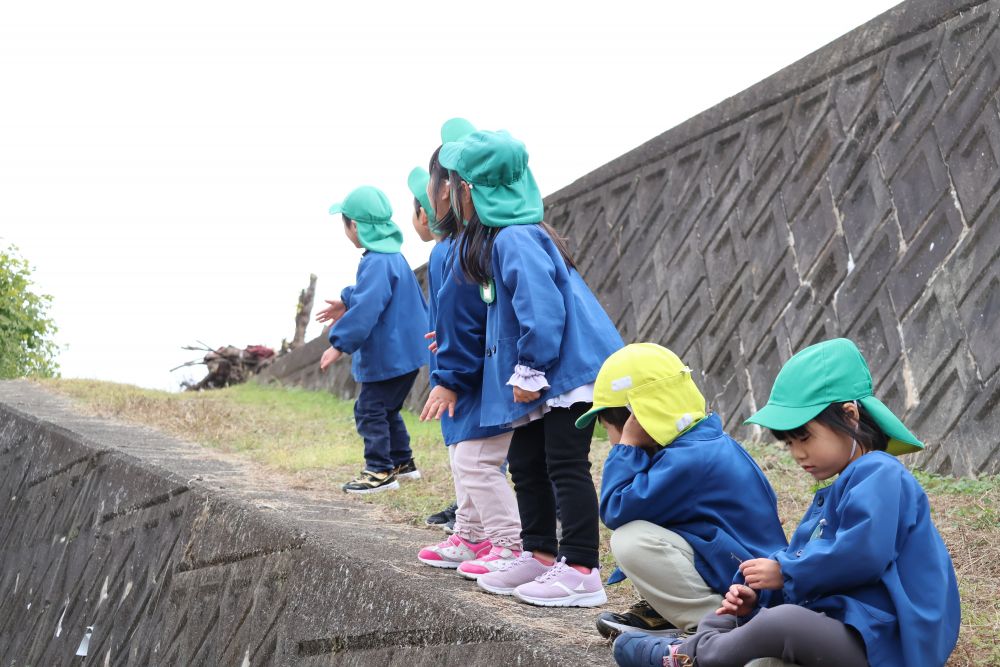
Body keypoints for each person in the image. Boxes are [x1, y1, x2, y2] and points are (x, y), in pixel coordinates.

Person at [613, 338, 961, 667]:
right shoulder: (841, 488)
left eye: (804, 437)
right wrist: (756, 602)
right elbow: (815, 577)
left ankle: (689, 655)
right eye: (789, 443)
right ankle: (703, 644)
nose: (798, 454)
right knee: (740, 617)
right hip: (852, 630)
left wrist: (784, 572)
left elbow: (864, 554)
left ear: (850, 415)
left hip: (886, 643)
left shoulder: (879, 472)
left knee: (782, 623)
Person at [424, 129, 623, 607]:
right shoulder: (503, 236)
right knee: (525, 462)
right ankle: (538, 554)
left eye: (456, 184)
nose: (451, 194)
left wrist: (531, 367)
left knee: (564, 464)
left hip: (562, 371)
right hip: (543, 371)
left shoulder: (514, 237)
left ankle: (580, 569)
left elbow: (542, 307)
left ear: (469, 189)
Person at [576, 343, 786, 639]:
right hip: (738, 573)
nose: (612, 441)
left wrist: (627, 448)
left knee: (630, 539)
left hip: (748, 591)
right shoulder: (702, 444)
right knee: (646, 527)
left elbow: (615, 508)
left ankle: (719, 624)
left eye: (611, 429)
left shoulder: (685, 461)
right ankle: (672, 611)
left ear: (636, 418)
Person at [415, 131, 523, 577]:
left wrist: (450, 377)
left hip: (479, 377)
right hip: (474, 369)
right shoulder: (469, 245)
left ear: (449, 188)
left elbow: (467, 319)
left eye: (433, 182)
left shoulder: (468, 248)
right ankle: (471, 533)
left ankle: (508, 543)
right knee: (465, 457)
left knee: (475, 461)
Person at [315, 185, 427, 494]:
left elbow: (368, 308)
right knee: (386, 409)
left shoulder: (376, 261)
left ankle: (379, 471)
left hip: (391, 357)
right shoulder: (391, 257)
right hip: (407, 354)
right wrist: (345, 300)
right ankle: (403, 464)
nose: (346, 230)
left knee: (369, 410)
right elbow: (371, 295)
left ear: (355, 226)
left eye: (346, 223)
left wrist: (338, 344)